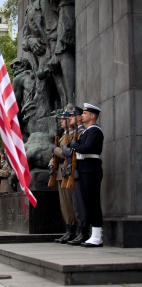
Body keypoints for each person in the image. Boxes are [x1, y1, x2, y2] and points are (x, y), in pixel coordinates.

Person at [67, 103, 104, 247]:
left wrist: (75, 145)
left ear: (93, 116)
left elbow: (86, 148)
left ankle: (97, 235)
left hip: (91, 168)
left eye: (85, 113)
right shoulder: (87, 131)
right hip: (84, 169)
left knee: (93, 202)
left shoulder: (95, 131)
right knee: (88, 202)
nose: (82, 115)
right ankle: (94, 235)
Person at [48, 109, 77, 244]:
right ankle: (68, 230)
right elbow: (55, 155)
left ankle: (72, 230)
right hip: (60, 172)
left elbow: (66, 152)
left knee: (69, 203)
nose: (61, 121)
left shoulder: (74, 134)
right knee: (63, 204)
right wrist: (50, 163)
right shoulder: (62, 136)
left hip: (68, 171)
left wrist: (55, 150)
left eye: (64, 119)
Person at [65, 106, 88, 246]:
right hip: (73, 170)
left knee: (81, 203)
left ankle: (84, 232)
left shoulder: (83, 132)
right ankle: (80, 231)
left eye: (73, 116)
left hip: (80, 169)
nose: (69, 119)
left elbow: (75, 150)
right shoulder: (73, 133)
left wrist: (66, 150)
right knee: (75, 204)